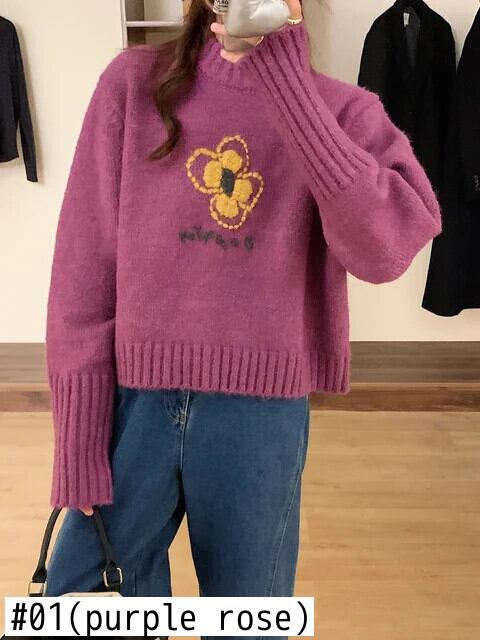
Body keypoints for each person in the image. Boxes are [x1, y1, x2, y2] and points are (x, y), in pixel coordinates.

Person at [43, 0, 441, 636]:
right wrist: (78, 435)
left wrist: (289, 88)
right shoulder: (133, 85)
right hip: (131, 405)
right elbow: (83, 268)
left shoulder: (342, 111)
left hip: (260, 418)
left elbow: (387, 250)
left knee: (247, 620)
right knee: (76, 611)